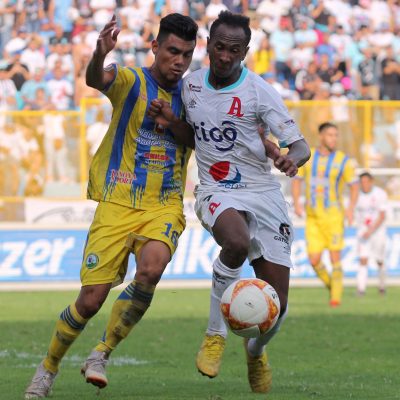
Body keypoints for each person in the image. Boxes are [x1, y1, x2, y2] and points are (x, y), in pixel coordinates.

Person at [24, 13, 198, 399]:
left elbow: (198, 140)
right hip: (117, 201)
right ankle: (48, 367)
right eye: (173, 51)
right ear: (155, 46)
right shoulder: (131, 80)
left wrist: (173, 122)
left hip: (164, 203)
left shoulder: (193, 96)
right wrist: (99, 54)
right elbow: (95, 80)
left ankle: (101, 352)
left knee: (151, 269)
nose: (179, 61)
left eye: (187, 54)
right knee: (90, 300)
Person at [148, 11, 311, 394]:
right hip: (216, 189)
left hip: (263, 193)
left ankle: (256, 352)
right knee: (236, 242)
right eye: (219, 47)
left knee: (278, 306)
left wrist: (291, 159)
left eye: (234, 50)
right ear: (208, 45)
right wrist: (172, 120)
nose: (224, 56)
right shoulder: (190, 87)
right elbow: (195, 137)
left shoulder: (259, 92)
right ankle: (214, 335)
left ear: (245, 52)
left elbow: (301, 145)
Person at [292, 122, 359, 307]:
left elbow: (354, 186)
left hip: (334, 216)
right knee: (314, 260)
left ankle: (335, 299)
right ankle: (333, 286)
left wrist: (350, 209)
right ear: (321, 136)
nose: (334, 138)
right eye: (330, 135)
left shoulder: (343, 160)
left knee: (334, 256)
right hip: (313, 217)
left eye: (336, 135)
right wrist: (297, 203)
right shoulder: (309, 157)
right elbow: (297, 180)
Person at [354, 172, 388, 295]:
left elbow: (382, 215)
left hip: (378, 231)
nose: (364, 184)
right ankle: (361, 289)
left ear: (371, 182)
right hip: (363, 231)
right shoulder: (356, 195)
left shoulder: (380, 194)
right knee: (363, 259)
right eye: (362, 182)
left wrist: (371, 230)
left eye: (366, 182)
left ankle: (382, 286)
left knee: (380, 260)